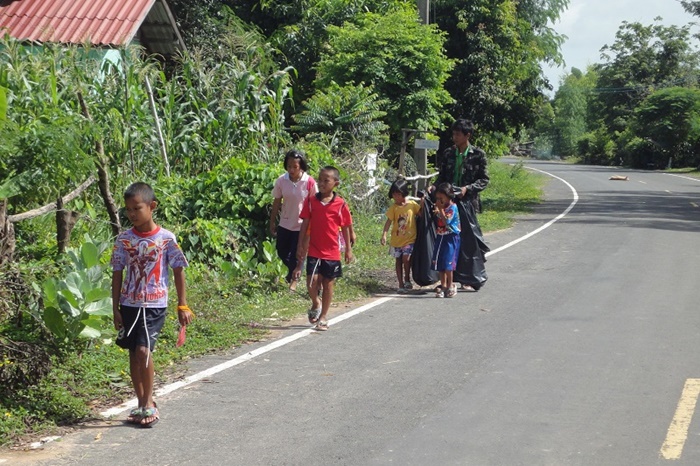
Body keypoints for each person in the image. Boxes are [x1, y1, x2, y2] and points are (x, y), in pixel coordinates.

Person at [111, 182, 193, 428]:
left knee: (144, 351)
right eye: (128, 209)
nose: (132, 214)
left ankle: (148, 401)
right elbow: (117, 273)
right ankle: (140, 401)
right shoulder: (124, 240)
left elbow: (178, 270)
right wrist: (115, 308)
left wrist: (182, 305)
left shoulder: (166, 239)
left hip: (154, 304)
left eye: (137, 208)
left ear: (152, 206)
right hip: (129, 304)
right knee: (133, 353)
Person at [431, 118, 489, 291]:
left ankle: (468, 278)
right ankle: (448, 279)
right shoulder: (449, 153)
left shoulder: (478, 155)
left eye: (458, 134)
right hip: (448, 204)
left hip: (467, 204)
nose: (454, 137)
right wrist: (433, 187)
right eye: (454, 134)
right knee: (448, 239)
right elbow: (442, 177)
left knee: (467, 242)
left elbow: (484, 180)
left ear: (467, 135)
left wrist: (467, 189)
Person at [292, 166, 353, 331]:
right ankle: (315, 302)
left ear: (336, 183)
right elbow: (305, 223)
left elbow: (346, 226)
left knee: (328, 284)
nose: (322, 183)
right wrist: (300, 244)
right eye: (320, 180)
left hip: (332, 252)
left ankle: (324, 317)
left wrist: (348, 249)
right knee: (311, 281)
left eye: (326, 180)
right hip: (314, 250)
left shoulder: (341, 204)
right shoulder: (311, 201)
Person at [270, 150, 317, 291]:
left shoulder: (309, 182)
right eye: (289, 166)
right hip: (285, 222)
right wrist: (272, 221)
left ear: (301, 166)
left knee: (298, 253)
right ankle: (293, 272)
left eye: (295, 167)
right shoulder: (281, 180)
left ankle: (293, 281)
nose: (291, 170)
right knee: (281, 250)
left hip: (302, 225)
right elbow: (277, 202)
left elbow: (315, 205)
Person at [380, 178, 421, 292]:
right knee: (398, 260)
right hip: (396, 240)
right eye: (394, 195)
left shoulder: (412, 205)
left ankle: (407, 278)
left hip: (409, 239)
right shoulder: (394, 208)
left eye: (398, 194)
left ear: (404, 193)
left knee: (406, 259)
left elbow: (421, 214)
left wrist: (424, 202)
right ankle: (401, 284)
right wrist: (384, 234)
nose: (396, 197)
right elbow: (388, 222)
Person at [427, 182, 461, 298]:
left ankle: (451, 285)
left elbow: (447, 222)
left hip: (450, 237)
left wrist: (440, 209)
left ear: (448, 196)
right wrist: (438, 211)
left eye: (441, 198)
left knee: (448, 262)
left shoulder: (453, 208)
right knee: (440, 261)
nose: (439, 200)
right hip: (441, 236)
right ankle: (443, 285)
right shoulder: (442, 208)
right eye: (437, 198)